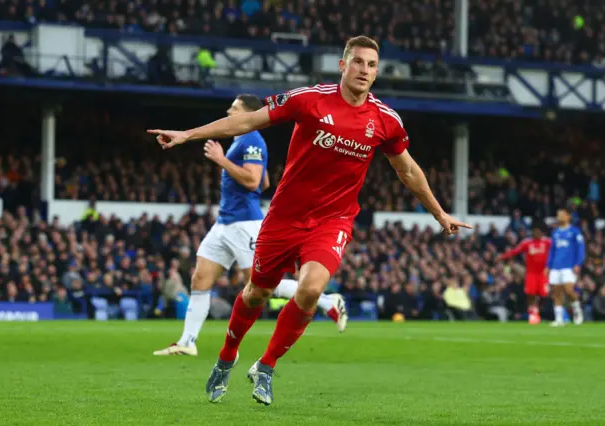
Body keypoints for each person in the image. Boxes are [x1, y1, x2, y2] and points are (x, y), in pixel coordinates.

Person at [147, 35, 470, 406]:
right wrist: (188, 134)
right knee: (257, 292)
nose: (364, 70)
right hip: (285, 217)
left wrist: (439, 212)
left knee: (312, 289)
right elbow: (246, 121)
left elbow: (408, 171)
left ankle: (265, 367)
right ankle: (226, 356)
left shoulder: (385, 120)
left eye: (371, 65)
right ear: (343, 65)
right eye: (358, 62)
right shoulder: (309, 100)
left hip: (333, 220)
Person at [152, 94, 348, 357]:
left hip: (245, 222)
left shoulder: (252, 139)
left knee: (259, 284)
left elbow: (254, 181)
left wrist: (221, 160)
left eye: (234, 109)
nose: (229, 111)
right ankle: (188, 341)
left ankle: (327, 302)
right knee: (200, 278)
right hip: (225, 222)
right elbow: (265, 181)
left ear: (248, 114)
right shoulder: (243, 142)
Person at [497, 221, 551, 324]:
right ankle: (533, 313)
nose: (536, 233)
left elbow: (556, 252)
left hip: (542, 274)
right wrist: (502, 256)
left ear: (542, 232)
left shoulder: (548, 242)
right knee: (530, 294)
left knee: (544, 294)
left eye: (538, 231)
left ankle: (537, 309)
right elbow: (515, 251)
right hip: (531, 273)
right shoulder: (527, 243)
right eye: (534, 231)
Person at [545, 208, 586, 327]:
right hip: (556, 266)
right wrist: (548, 266)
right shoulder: (555, 232)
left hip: (569, 266)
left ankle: (577, 310)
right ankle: (559, 319)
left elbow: (581, 249)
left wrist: (578, 263)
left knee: (569, 290)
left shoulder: (575, 231)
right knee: (556, 292)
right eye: (558, 215)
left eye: (562, 215)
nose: (559, 217)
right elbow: (552, 251)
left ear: (568, 216)